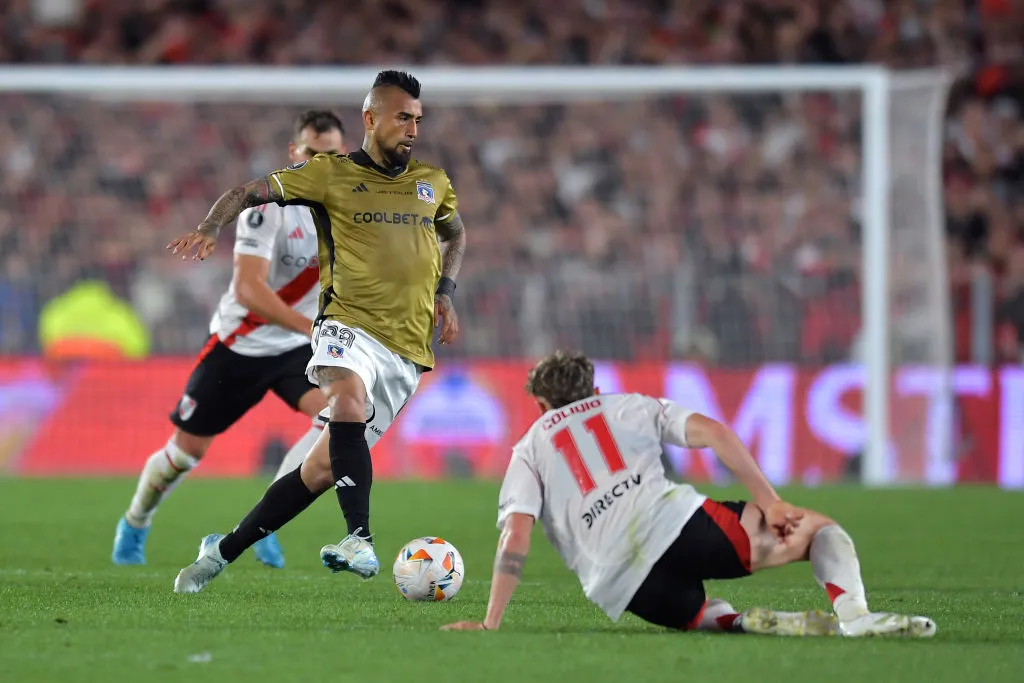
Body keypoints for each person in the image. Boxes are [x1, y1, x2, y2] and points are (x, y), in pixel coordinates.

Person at [168, 70, 467, 592]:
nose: (413, 129)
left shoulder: (432, 182)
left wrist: (445, 292)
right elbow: (247, 191)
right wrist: (210, 226)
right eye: (403, 118)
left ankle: (220, 551)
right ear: (371, 119)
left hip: (406, 349)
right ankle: (360, 537)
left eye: (418, 119)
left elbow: (456, 234)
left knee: (319, 470)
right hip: (345, 324)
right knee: (347, 399)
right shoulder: (328, 173)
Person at [442, 350, 936, 638]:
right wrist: (770, 501)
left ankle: (741, 622)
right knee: (821, 530)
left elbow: (517, 536)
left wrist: (490, 624)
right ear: (592, 388)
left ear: (541, 404)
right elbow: (716, 432)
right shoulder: (628, 406)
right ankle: (854, 617)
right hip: (677, 527)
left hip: (620, 586)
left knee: (698, 613)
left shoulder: (527, 448)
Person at [112, 110, 345, 570]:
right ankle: (136, 521)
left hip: (298, 350)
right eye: (313, 154)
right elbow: (248, 290)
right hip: (241, 345)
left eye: (333, 155)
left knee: (342, 421)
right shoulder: (269, 208)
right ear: (294, 153)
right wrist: (312, 328)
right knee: (185, 453)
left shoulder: (349, 209)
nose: (323, 162)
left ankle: (263, 524)